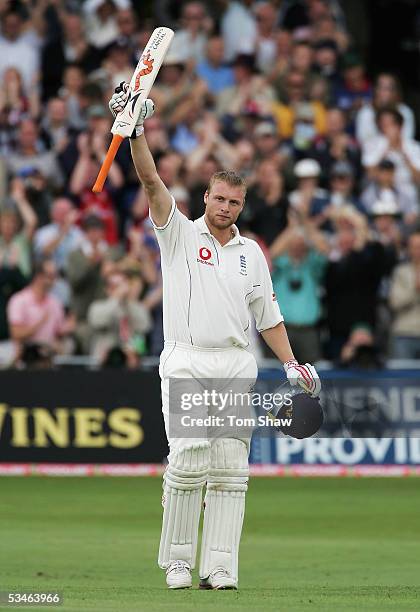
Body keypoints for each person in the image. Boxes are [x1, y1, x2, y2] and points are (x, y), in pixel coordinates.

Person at [108, 83, 321, 590]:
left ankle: (220, 567)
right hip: (185, 360)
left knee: (230, 468)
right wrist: (136, 129)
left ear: (242, 205)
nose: (225, 207)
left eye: (234, 202)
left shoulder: (251, 254)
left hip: (235, 364)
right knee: (187, 460)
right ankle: (178, 561)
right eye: (219, 198)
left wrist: (290, 363)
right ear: (206, 197)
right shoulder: (178, 233)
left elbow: (268, 316)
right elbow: (151, 180)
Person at [7, 258, 74, 361]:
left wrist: (68, 326)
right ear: (39, 277)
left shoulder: (55, 302)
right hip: (25, 358)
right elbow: (16, 333)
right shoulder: (19, 300)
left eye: (55, 276)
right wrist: (40, 323)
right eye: (51, 276)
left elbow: (58, 332)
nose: (54, 280)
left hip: (48, 357)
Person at [389, 231, 420, 359]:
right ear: (409, 249)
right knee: (403, 378)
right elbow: (395, 303)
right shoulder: (400, 272)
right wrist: (415, 289)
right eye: (415, 247)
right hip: (405, 333)